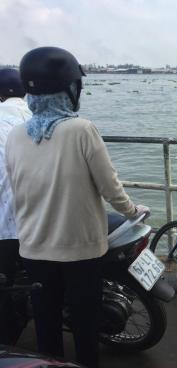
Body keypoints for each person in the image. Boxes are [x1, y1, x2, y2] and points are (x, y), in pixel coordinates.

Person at [5, 47, 149, 368]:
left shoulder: (15, 136)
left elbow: (18, 191)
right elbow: (110, 187)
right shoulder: (81, 130)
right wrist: (131, 211)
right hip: (80, 251)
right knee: (85, 324)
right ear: (70, 89)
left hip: (34, 248)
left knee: (46, 323)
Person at [0, 68, 32, 345]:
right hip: (42, 222)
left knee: (8, 286)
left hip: (8, 224)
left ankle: (9, 345)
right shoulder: (38, 117)